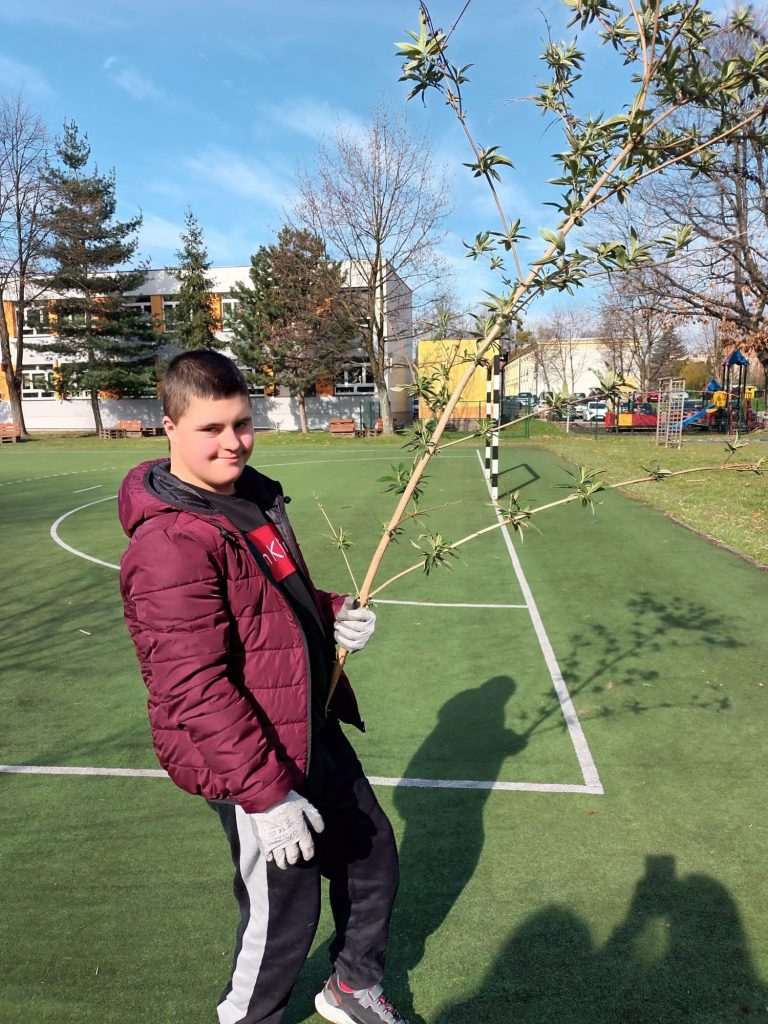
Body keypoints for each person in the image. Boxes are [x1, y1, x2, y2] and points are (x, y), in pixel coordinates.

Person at [119, 350, 407, 1024]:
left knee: (370, 854)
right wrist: (267, 796)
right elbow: (193, 686)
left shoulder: (250, 499)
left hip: (306, 722)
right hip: (250, 755)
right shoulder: (170, 545)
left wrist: (332, 613)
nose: (233, 442)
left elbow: (275, 602)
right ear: (170, 428)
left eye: (242, 424)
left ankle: (352, 986)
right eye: (211, 428)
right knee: (283, 909)